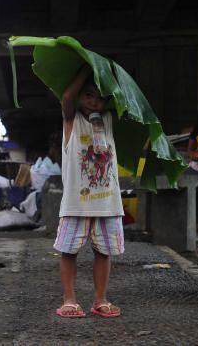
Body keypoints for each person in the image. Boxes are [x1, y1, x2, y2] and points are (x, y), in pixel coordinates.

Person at [54, 65, 124, 318]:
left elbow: (121, 97)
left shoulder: (107, 119)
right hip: (76, 202)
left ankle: (100, 299)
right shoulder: (71, 120)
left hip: (107, 203)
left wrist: (104, 71)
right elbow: (67, 98)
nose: (94, 102)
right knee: (68, 251)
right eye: (88, 95)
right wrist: (85, 66)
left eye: (99, 97)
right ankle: (69, 299)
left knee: (104, 252)